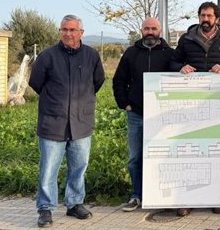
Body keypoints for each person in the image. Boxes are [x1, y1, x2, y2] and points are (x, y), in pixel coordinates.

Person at [29, 15, 105, 228]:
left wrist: (81, 103)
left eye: (72, 30)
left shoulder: (91, 56)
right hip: (53, 123)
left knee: (79, 167)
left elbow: (97, 81)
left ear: (81, 32)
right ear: (60, 31)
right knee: (48, 169)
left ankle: (74, 204)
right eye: (64, 29)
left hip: (81, 122)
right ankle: (45, 209)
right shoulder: (47, 56)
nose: (68, 33)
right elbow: (36, 83)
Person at [170, 1, 220, 216]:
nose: (205, 19)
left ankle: (216, 197)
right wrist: (180, 67)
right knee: (191, 152)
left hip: (218, 103)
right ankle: (187, 200)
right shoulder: (186, 39)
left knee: (216, 152)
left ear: (217, 19)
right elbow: (173, 63)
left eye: (209, 16)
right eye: (202, 15)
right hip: (190, 104)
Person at [113, 17, 173, 212]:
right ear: (141, 30)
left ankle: (161, 196)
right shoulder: (131, 53)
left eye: (153, 28)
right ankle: (136, 195)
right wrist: (125, 104)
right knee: (135, 158)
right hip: (137, 114)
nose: (149, 32)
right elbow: (119, 80)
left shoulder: (170, 54)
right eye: (146, 28)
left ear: (160, 31)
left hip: (162, 116)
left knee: (163, 155)